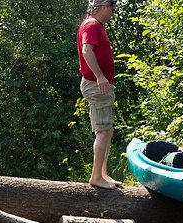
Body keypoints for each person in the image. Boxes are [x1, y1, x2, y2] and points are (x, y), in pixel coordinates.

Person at [77, 0, 121, 189]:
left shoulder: (95, 25)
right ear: (103, 6)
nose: (113, 12)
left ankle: (103, 174)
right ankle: (96, 177)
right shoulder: (92, 24)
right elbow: (87, 50)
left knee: (107, 130)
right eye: (112, 8)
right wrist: (100, 77)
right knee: (103, 131)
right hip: (96, 85)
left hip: (100, 85)